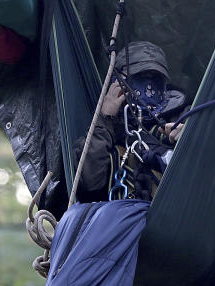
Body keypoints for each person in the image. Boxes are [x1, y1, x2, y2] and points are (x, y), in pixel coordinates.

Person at [74, 41, 189, 202]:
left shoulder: (186, 117)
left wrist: (190, 141)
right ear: (116, 81)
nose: (148, 86)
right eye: (139, 77)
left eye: (156, 77)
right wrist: (105, 117)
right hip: (122, 219)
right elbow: (89, 181)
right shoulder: (106, 127)